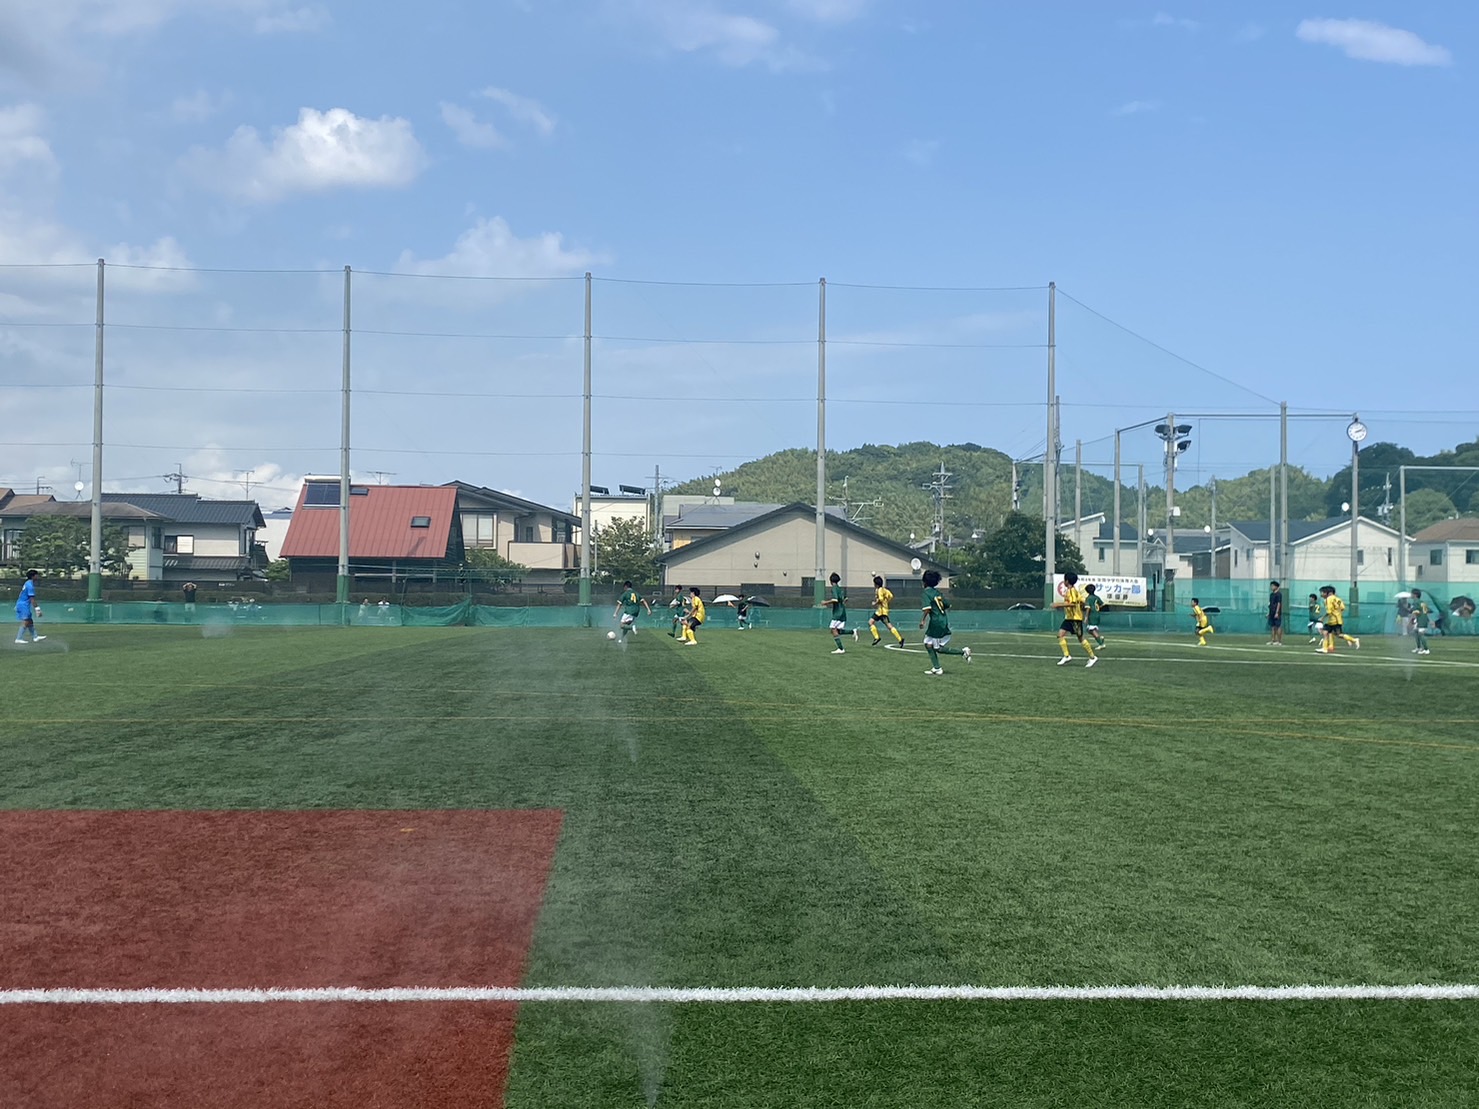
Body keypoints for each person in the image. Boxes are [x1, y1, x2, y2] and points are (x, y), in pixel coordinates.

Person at [919, 568, 971, 674]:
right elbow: (947, 604)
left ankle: (963, 652)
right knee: (928, 644)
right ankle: (937, 668)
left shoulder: (926, 593)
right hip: (941, 620)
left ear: (924, 582)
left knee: (938, 648)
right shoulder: (937, 593)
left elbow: (927, 609)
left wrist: (922, 621)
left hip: (936, 622)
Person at [1053, 570, 1097, 667]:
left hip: (1075, 618)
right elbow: (1082, 600)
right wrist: (1082, 604)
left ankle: (1092, 657)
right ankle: (1066, 655)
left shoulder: (1071, 591)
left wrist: (1058, 605)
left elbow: (1072, 604)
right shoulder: (1074, 591)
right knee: (1060, 635)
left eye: (1064, 580)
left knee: (1081, 638)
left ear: (1067, 581)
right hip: (1069, 618)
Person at [1318, 585, 1359, 653]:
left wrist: (1322, 618)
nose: (1321, 594)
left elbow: (1329, 611)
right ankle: (1325, 648)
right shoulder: (1338, 599)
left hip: (1333, 620)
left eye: (1322, 592)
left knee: (1338, 634)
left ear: (1327, 592)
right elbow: (1342, 608)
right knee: (1326, 632)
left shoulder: (1328, 599)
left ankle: (1354, 640)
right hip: (1337, 619)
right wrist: (1337, 612)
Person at [867, 575, 905, 647]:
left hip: (881, 611)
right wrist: (886, 601)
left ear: (876, 584)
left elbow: (880, 599)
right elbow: (891, 596)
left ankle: (877, 637)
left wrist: (875, 603)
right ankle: (900, 639)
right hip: (883, 610)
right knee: (885, 625)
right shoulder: (885, 590)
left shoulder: (879, 590)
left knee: (872, 623)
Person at [612, 580, 652, 645]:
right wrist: (648, 609)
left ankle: (632, 627)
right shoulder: (636, 593)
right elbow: (643, 601)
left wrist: (615, 613)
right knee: (626, 625)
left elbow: (619, 604)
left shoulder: (626, 593)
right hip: (636, 611)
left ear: (625, 586)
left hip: (629, 611)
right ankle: (621, 639)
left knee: (621, 625)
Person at [820, 572, 850, 653]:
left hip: (838, 613)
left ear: (830, 581)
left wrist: (825, 602)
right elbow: (845, 598)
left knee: (833, 629)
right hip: (842, 611)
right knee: (837, 630)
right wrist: (842, 603)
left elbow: (835, 599)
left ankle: (841, 649)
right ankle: (853, 632)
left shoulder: (834, 588)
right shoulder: (839, 588)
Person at [14, 569, 44, 644]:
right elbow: (32, 599)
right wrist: (37, 609)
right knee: (26, 621)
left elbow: (21, 594)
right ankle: (18, 638)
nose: (37, 577)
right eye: (36, 575)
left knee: (30, 621)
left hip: (22, 604)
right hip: (23, 605)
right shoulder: (30, 585)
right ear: (33, 576)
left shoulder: (27, 583)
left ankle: (35, 637)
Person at [1082, 583, 1107, 648]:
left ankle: (1101, 643)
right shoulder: (1096, 597)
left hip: (1092, 615)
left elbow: (1088, 608)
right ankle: (1100, 638)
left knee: (1091, 630)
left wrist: (1086, 617)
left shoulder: (1088, 598)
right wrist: (1097, 609)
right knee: (1089, 630)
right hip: (1097, 614)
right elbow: (1102, 604)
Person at [1410, 588, 1433, 656]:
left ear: (1415, 595)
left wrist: (1411, 618)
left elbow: (1413, 611)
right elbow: (1428, 610)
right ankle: (1419, 647)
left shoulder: (1416, 602)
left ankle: (1426, 649)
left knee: (1421, 634)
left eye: (1412, 594)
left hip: (1421, 619)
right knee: (1416, 632)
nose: (1411, 595)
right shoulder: (1422, 602)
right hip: (1421, 619)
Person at [1266, 580, 1284, 645]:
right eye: (1271, 586)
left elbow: (1279, 603)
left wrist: (1277, 612)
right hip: (1271, 612)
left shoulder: (1279, 594)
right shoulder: (1271, 595)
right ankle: (1273, 640)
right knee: (1273, 627)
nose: (1271, 587)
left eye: (1273, 586)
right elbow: (1270, 604)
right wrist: (1269, 613)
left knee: (1278, 626)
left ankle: (1279, 641)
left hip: (1277, 613)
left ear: (1276, 587)